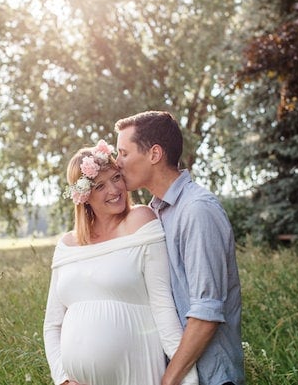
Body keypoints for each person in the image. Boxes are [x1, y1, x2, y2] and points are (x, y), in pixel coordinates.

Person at [43, 139, 198, 385]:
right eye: (100, 186)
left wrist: (186, 378)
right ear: (83, 196)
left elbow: (162, 305)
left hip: (138, 372)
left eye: (116, 178)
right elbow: (52, 325)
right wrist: (62, 379)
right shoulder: (66, 245)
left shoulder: (141, 221)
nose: (114, 191)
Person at [115, 111, 245, 385]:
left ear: (154, 154)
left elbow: (206, 312)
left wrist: (168, 380)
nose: (117, 164)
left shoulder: (197, 210)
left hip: (210, 378)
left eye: (123, 153)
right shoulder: (153, 214)